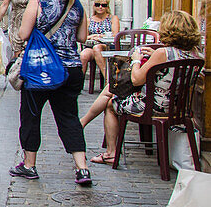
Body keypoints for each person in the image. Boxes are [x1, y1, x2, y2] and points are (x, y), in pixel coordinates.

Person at [9, 0, 92, 186]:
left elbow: (24, 33)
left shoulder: (39, 0)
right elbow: (83, 38)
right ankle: (82, 168)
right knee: (69, 117)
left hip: (41, 68)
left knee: (31, 115)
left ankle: (29, 164)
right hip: (71, 69)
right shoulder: (76, 3)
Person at [83, 10, 203, 165]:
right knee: (111, 90)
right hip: (178, 108)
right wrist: (155, 56)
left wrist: (136, 60)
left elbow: (136, 79)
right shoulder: (195, 54)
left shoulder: (163, 53)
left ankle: (111, 152)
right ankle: (83, 123)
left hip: (152, 107)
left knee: (111, 105)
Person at [80, 0, 120, 78]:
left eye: (104, 5)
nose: (100, 7)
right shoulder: (89, 20)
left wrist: (101, 37)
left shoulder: (112, 18)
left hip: (107, 45)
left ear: (107, 7)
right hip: (91, 45)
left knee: (97, 48)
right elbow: (84, 37)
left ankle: (108, 80)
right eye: (98, 5)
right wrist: (93, 36)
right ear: (94, 6)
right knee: (83, 55)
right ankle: (78, 85)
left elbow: (115, 35)